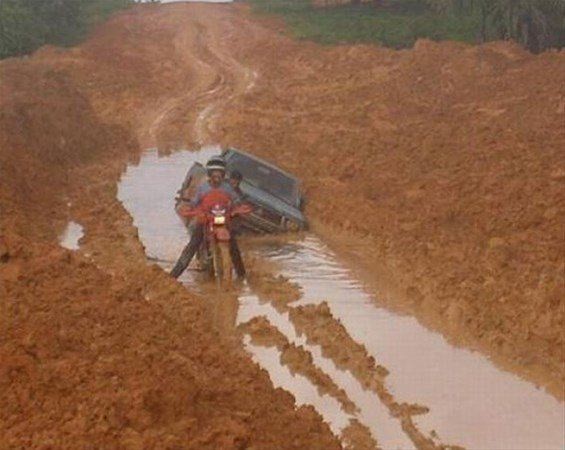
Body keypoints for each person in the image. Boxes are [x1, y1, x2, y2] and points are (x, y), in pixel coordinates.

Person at [170, 156, 246, 279]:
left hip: (222, 219)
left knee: (233, 247)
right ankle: (173, 276)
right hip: (206, 219)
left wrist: (238, 208)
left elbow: (236, 200)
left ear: (223, 174)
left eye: (219, 173)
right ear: (210, 174)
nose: (217, 177)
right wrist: (190, 208)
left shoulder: (227, 188)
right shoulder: (203, 188)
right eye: (214, 174)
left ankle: (242, 276)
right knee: (192, 245)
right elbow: (194, 202)